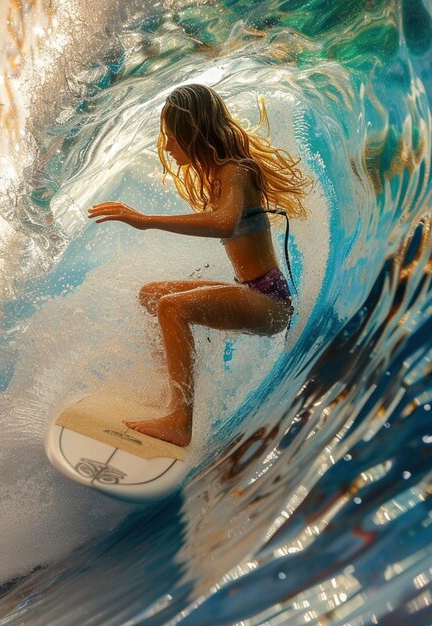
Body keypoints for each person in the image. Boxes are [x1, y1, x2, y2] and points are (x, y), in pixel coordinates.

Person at [88, 84, 311, 447]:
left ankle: (180, 421)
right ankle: (174, 397)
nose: (168, 148)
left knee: (171, 306)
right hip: (252, 292)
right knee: (152, 295)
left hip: (270, 302)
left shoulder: (235, 171)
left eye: (172, 137)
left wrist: (146, 220)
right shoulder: (222, 175)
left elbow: (224, 223)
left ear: (193, 133)